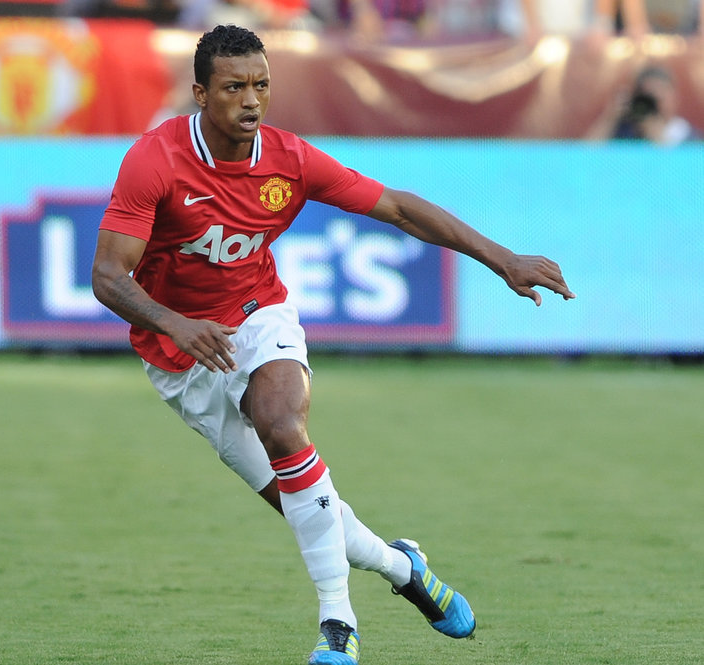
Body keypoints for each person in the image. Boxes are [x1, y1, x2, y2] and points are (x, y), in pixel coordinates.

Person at [90, 24, 575, 665]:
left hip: (258, 316)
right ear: (200, 93)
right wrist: (175, 324)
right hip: (179, 358)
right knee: (310, 510)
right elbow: (108, 276)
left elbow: (397, 208)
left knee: (282, 424)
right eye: (233, 88)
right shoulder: (154, 159)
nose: (251, 100)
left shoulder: (289, 159)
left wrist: (501, 258)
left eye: (261, 85)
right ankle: (403, 567)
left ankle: (337, 625)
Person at [609, 64, 701, 145]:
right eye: (649, 95)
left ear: (675, 98)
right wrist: (611, 117)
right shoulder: (625, 132)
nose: (656, 103)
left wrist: (658, 139)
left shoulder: (689, 137)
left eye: (661, 93)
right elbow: (600, 153)